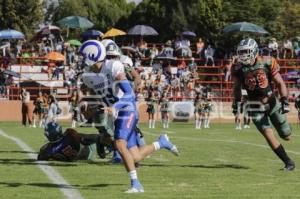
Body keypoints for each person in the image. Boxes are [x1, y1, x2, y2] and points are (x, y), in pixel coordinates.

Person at [79, 40, 179, 193]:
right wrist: (89, 107)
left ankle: (136, 184)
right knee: (135, 157)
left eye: (83, 55)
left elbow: (129, 93)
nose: (81, 59)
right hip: (116, 114)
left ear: (91, 55)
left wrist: (115, 106)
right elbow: (97, 97)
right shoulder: (88, 76)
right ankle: (161, 142)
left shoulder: (113, 66)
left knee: (119, 144)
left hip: (127, 109)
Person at [232, 38, 295, 171]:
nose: (243, 55)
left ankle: (285, 129)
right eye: (241, 52)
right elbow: (237, 88)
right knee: (267, 133)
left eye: (246, 52)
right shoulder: (238, 68)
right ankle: (288, 163)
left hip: (272, 102)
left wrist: (284, 100)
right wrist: (236, 104)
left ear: (254, 50)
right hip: (254, 106)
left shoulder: (267, 61)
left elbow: (280, 83)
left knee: (287, 135)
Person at [38, 122, 113, 161]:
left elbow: (41, 157)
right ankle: (109, 147)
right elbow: (83, 139)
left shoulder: (48, 149)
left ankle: (105, 146)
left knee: (86, 139)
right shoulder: (69, 133)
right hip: (88, 151)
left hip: (79, 156)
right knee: (91, 138)